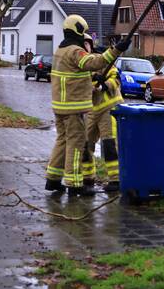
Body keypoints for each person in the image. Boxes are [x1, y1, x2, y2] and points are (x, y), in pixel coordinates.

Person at [46, 14, 129, 197]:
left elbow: (112, 78)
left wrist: (103, 84)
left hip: (65, 107)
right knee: (77, 146)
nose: (86, 45)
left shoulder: (59, 51)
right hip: (74, 109)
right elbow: (92, 63)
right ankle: (76, 184)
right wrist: (115, 50)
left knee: (62, 141)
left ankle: (52, 179)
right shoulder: (76, 52)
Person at [85, 40, 124, 192]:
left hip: (109, 107)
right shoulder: (79, 66)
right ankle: (87, 177)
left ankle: (115, 179)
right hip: (90, 110)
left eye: (86, 44)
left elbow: (116, 80)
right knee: (86, 144)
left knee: (109, 143)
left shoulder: (100, 61)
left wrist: (103, 85)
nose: (84, 48)